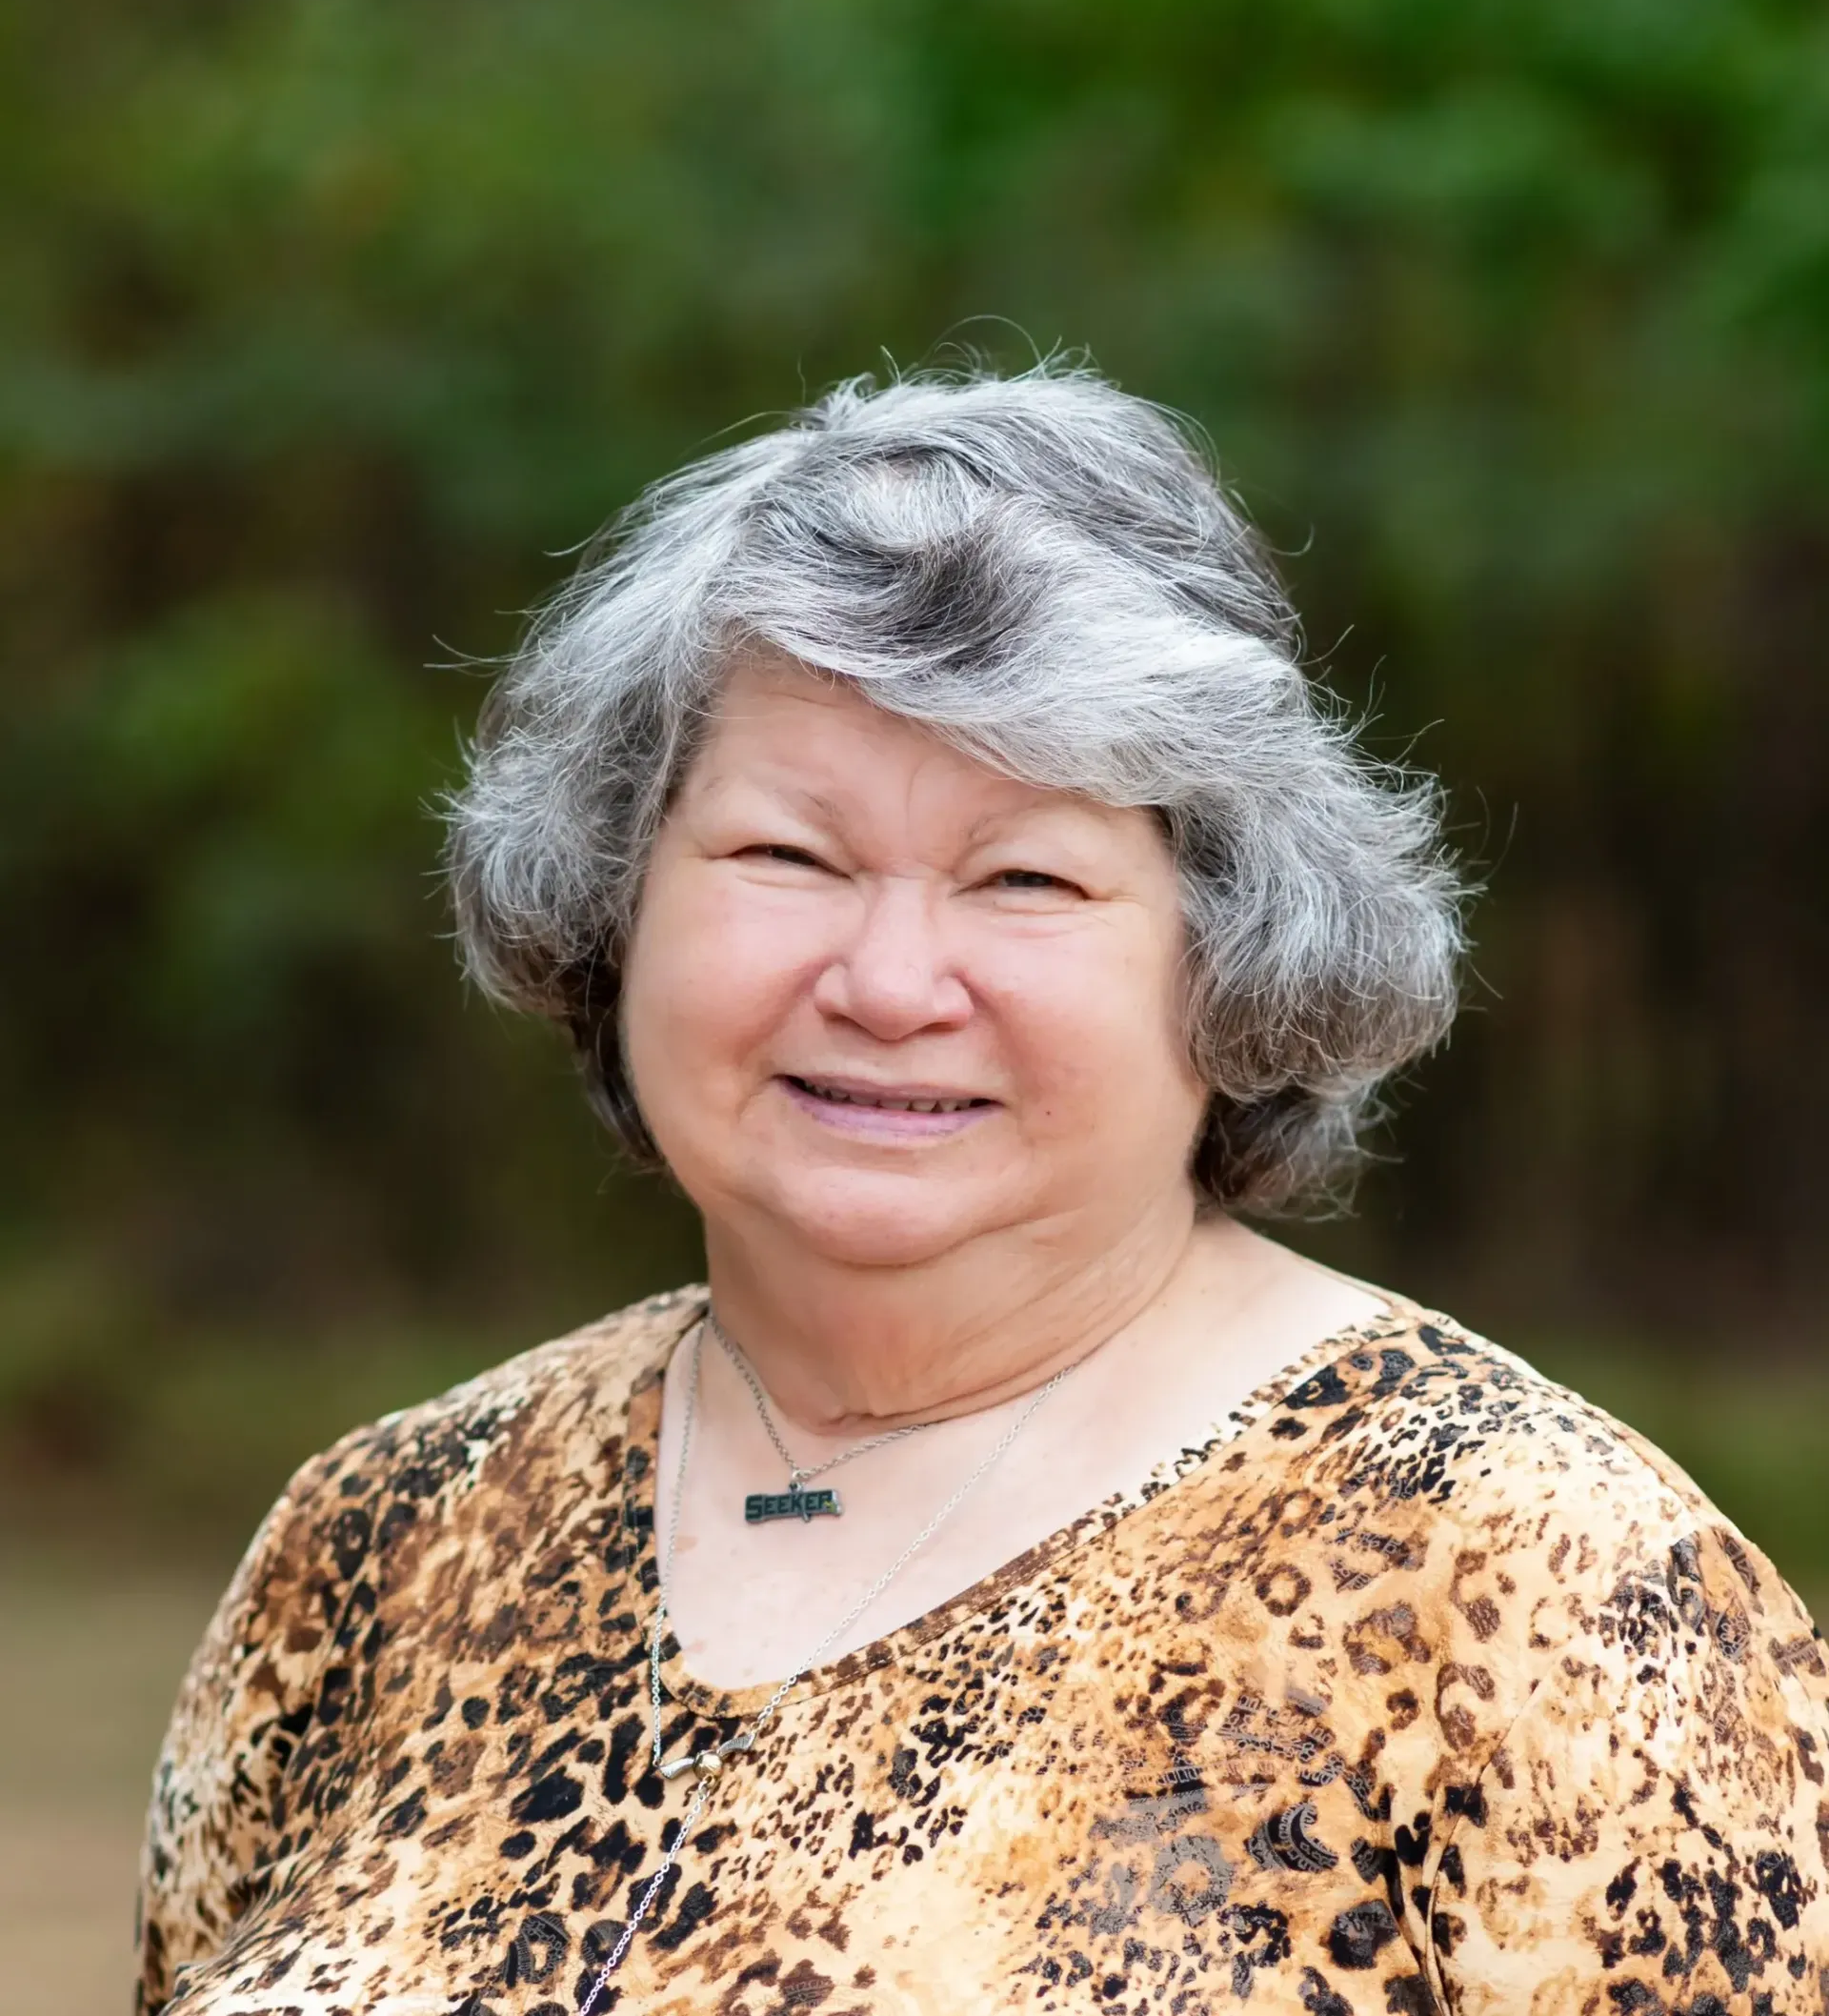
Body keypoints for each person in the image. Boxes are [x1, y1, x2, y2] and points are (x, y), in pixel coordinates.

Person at [138, 364, 1828, 2015]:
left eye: (1025, 876)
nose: (886, 981)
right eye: (784, 854)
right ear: (615, 899)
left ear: (1231, 959)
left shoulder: (1538, 1580)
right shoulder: (381, 1540)